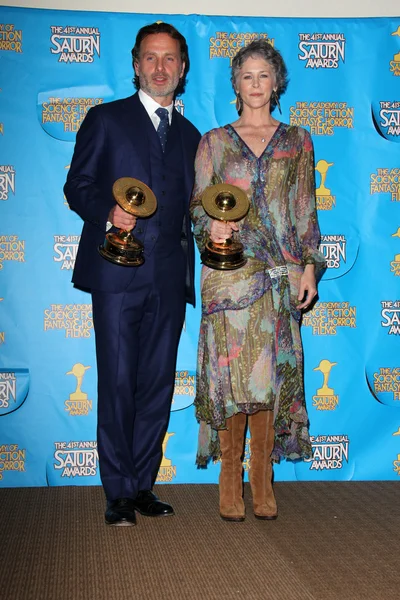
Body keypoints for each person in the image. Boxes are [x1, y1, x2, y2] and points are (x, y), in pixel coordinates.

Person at [64, 22, 201, 526]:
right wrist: (107, 213)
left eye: (170, 59)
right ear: (136, 64)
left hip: (169, 278)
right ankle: (118, 491)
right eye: (151, 57)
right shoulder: (105, 120)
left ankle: (143, 483)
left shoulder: (192, 137)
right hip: (116, 275)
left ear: (182, 69)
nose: (160, 67)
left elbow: (195, 209)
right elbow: (76, 185)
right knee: (118, 382)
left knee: (157, 385)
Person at [190, 40, 325, 522]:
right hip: (228, 274)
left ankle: (261, 481)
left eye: (263, 75)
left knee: (268, 379)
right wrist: (214, 226)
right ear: (235, 84)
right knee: (230, 377)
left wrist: (309, 266)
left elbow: (305, 211)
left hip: (280, 274)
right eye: (246, 75)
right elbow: (197, 206)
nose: (255, 84)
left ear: (277, 82)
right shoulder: (214, 142)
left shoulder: (298, 140)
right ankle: (230, 479)